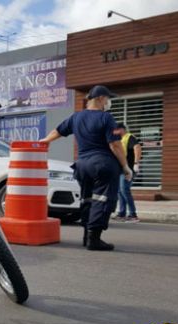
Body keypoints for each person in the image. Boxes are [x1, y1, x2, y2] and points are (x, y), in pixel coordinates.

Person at [41, 85, 133, 251]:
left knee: (87, 199)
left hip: (82, 166)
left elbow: (58, 131)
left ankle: (87, 236)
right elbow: (115, 144)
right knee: (103, 200)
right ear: (100, 98)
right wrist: (125, 166)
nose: (108, 102)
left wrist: (45, 141)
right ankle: (94, 239)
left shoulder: (76, 117)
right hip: (103, 165)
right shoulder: (107, 118)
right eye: (108, 98)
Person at [111, 124, 142, 223]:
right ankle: (122, 214)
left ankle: (133, 215)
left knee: (124, 190)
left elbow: (137, 147)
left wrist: (136, 163)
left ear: (121, 129)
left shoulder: (129, 137)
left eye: (116, 130)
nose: (114, 132)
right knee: (120, 191)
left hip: (128, 169)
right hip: (120, 169)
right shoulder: (119, 139)